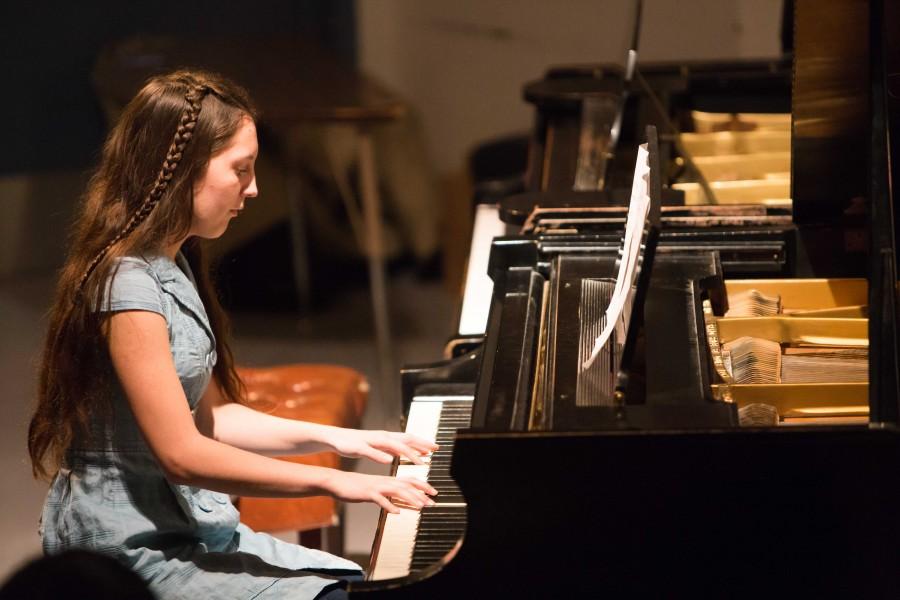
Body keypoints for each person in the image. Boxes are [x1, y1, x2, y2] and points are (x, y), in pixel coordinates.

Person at [27, 70, 438, 600]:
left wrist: (340, 439)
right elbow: (183, 454)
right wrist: (336, 480)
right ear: (179, 172)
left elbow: (214, 416)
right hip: (128, 548)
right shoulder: (126, 284)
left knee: (351, 578)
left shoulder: (174, 260)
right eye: (240, 170)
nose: (255, 187)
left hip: (189, 525)